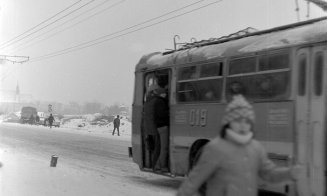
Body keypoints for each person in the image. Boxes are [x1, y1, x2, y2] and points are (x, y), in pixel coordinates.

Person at [176, 95, 301, 196]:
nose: (243, 125)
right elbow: (194, 181)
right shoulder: (215, 149)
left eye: (247, 121)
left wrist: (289, 173)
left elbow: (269, 174)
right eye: (237, 120)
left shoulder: (256, 148)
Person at [143, 84, 161, 171]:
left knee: (152, 147)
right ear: (154, 92)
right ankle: (155, 165)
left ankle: (152, 163)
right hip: (154, 128)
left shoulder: (147, 102)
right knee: (157, 147)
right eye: (157, 90)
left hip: (148, 129)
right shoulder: (155, 101)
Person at [153, 87, 169, 172]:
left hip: (160, 126)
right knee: (164, 148)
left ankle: (158, 165)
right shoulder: (160, 102)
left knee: (163, 147)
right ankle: (162, 166)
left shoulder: (159, 101)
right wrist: (169, 113)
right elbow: (161, 114)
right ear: (161, 94)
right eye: (164, 93)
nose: (165, 94)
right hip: (162, 126)